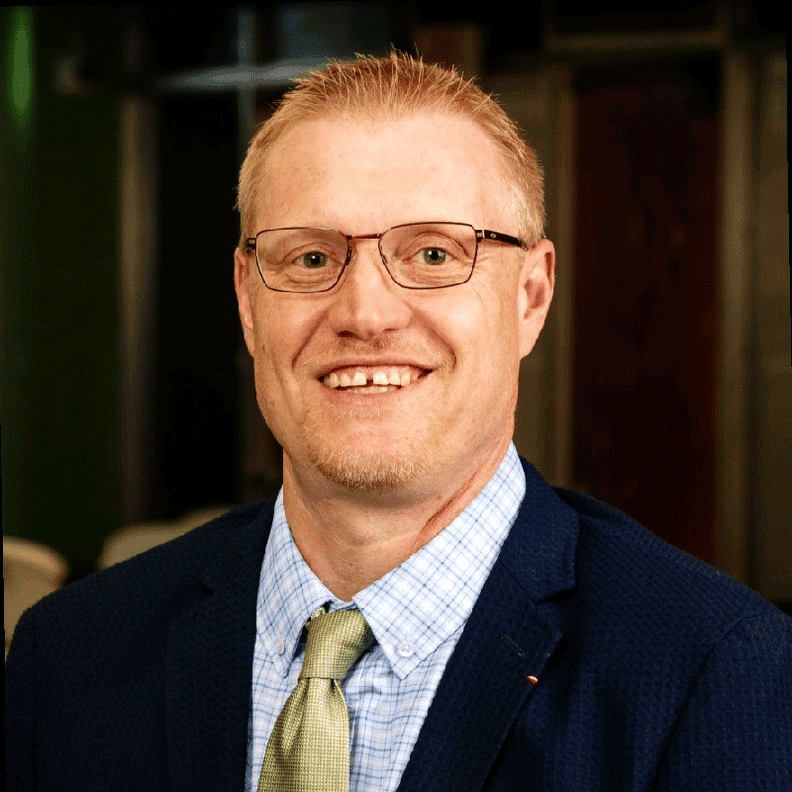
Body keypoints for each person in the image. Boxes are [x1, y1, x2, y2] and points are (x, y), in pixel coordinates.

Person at [6, 52, 791, 792]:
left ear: (531, 295)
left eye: (434, 255)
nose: (366, 314)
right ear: (248, 301)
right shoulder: (68, 655)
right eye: (311, 259)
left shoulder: (715, 674)